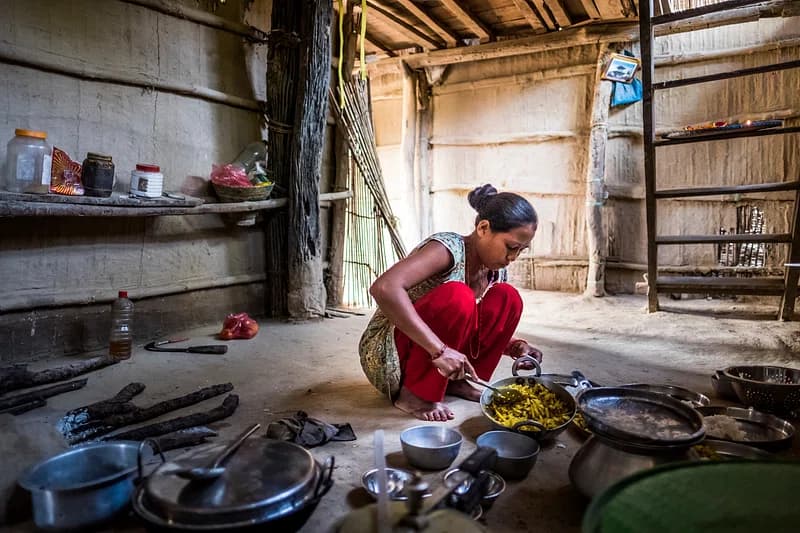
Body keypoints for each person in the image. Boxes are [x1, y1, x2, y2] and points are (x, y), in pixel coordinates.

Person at [359, 184, 543, 421]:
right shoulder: (448, 249)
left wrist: (514, 345)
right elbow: (384, 288)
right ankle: (413, 394)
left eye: (521, 250)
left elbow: (467, 325)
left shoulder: (495, 271)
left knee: (508, 298)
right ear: (483, 228)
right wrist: (440, 351)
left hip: (437, 357)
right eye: (511, 247)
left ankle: (456, 382)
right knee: (458, 296)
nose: (513, 258)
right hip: (390, 354)